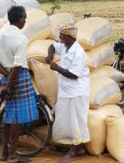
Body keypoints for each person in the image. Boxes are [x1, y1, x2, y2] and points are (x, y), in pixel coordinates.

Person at [0, 6, 38, 163]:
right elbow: (17, 65)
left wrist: (6, 77)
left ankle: (4, 152)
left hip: (7, 76)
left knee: (9, 116)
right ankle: (13, 155)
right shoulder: (21, 39)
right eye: (24, 18)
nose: (25, 21)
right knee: (17, 117)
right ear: (20, 19)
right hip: (19, 78)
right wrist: (11, 83)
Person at [45, 23, 90, 163]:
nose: (60, 38)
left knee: (75, 121)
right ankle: (80, 147)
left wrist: (56, 67)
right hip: (66, 91)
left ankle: (72, 152)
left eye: (62, 36)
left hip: (76, 92)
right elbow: (51, 46)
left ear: (69, 37)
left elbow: (74, 75)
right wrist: (50, 56)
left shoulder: (79, 53)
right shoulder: (65, 47)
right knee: (68, 119)